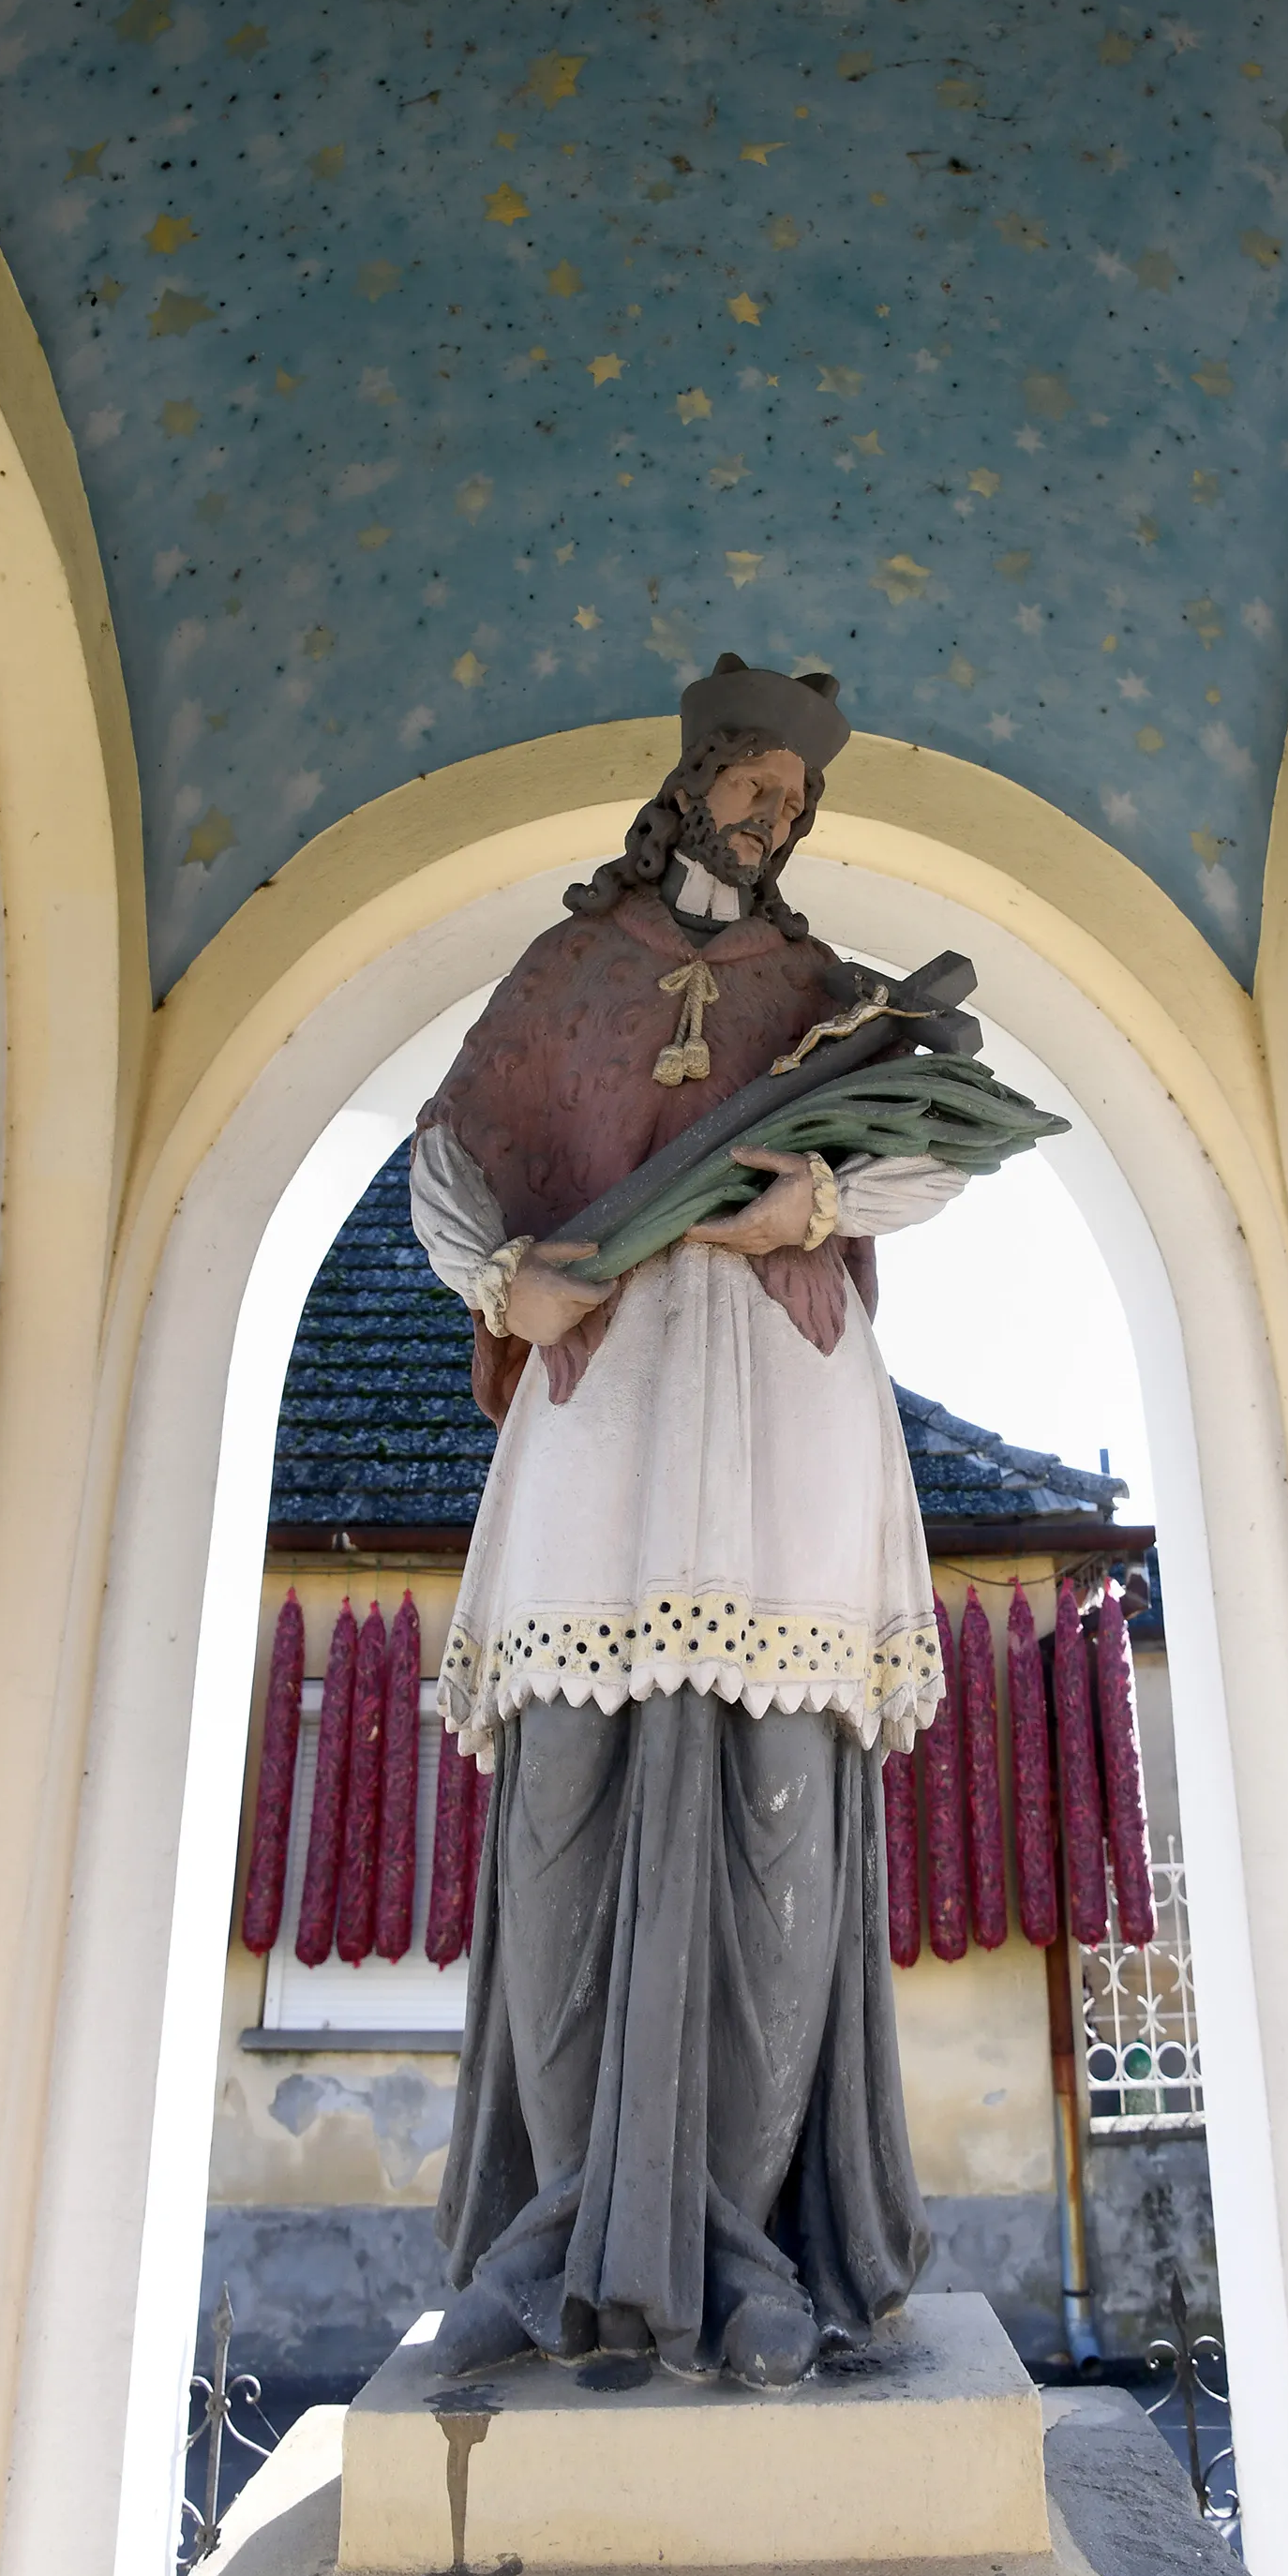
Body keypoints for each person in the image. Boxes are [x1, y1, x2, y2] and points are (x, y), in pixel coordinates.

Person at [410, 654, 968, 2388]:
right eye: (752, 786)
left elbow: (941, 1149)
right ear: (688, 788)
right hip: (608, 1410)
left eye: (795, 803)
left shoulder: (825, 992)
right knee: (566, 1811)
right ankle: (568, 2232)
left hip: (791, 1417)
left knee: (782, 1828)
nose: (773, 815)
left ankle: (747, 2248)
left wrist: (818, 1194)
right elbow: (447, 1155)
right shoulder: (568, 976)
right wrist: (511, 1277)